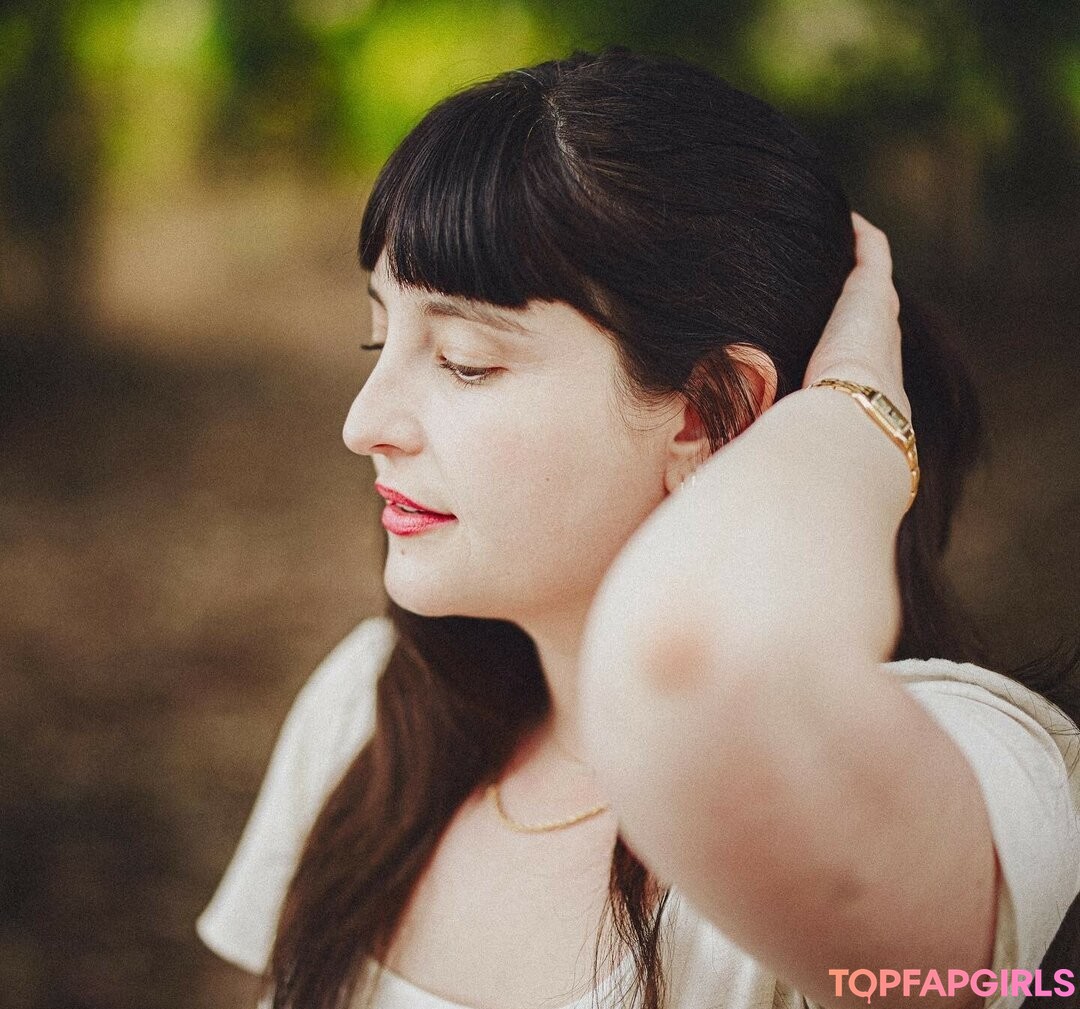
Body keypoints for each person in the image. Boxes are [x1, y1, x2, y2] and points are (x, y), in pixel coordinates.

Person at [195, 48, 1080, 1009]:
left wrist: (860, 405)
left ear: (706, 412)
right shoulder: (370, 711)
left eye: (465, 360)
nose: (363, 422)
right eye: (380, 338)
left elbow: (687, 671)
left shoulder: (972, 775)